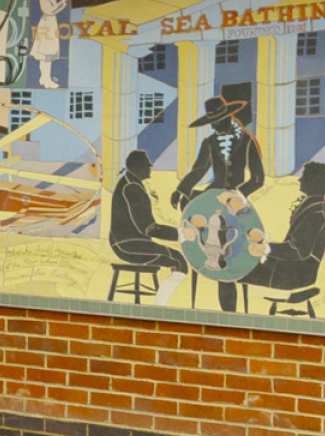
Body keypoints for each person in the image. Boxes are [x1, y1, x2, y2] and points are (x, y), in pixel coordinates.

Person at [176, 94, 267, 309]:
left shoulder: (247, 141)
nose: (213, 126)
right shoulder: (209, 143)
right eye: (211, 122)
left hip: (237, 202)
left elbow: (257, 179)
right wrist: (181, 189)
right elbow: (198, 170)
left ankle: (229, 304)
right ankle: (202, 259)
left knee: (232, 247)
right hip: (212, 197)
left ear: (227, 117)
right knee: (189, 208)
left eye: (216, 121)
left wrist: (237, 195)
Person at [251, 163, 325, 301]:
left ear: (314, 181)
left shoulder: (316, 213)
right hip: (291, 268)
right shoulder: (313, 205)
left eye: (304, 177)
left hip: (295, 275)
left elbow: (298, 250)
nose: (300, 180)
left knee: (238, 271)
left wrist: (265, 248)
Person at [107, 149, 181, 297]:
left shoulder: (130, 183)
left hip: (126, 242)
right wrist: (180, 235)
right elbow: (148, 229)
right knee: (178, 260)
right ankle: (162, 302)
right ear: (138, 166)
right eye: (147, 164)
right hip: (129, 245)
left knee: (176, 257)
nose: (150, 167)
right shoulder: (132, 187)